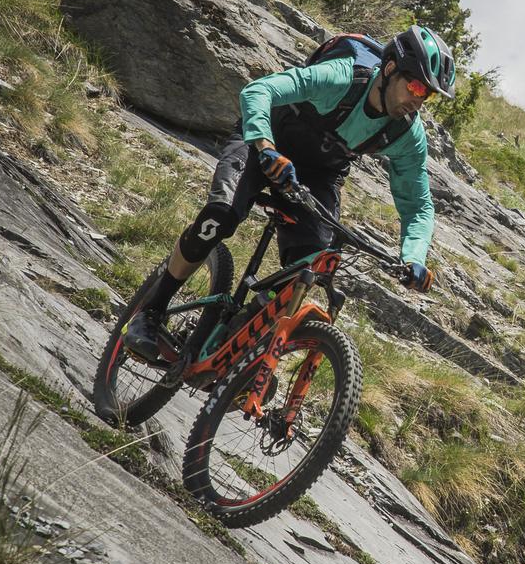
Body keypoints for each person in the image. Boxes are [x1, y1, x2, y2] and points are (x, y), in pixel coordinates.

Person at [121, 25, 454, 360]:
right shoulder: (341, 77)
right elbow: (258, 91)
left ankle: (235, 353)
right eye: (415, 86)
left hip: (318, 173)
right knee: (220, 217)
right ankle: (150, 312)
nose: (418, 100)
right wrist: (265, 146)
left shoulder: (407, 134)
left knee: (310, 267)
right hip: (264, 143)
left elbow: (418, 207)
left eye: (428, 95)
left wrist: (414, 257)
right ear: (391, 68)